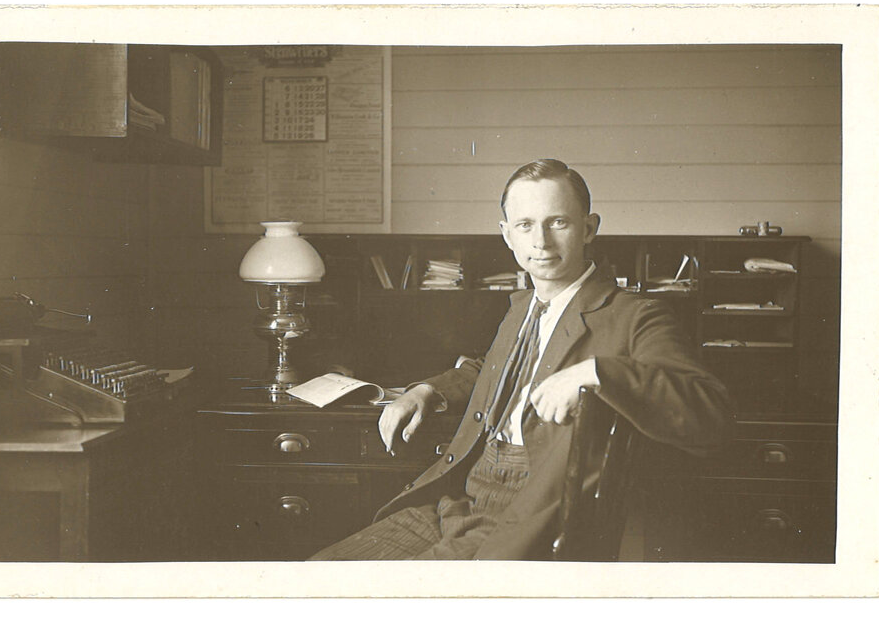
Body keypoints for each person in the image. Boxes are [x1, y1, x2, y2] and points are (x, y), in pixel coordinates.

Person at [310, 158, 734, 560]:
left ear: (589, 229)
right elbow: (495, 369)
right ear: (506, 234)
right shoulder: (521, 307)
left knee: (382, 598)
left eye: (558, 222)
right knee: (318, 573)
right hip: (459, 496)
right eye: (525, 225)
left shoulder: (635, 315)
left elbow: (710, 413)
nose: (541, 242)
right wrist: (427, 391)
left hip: (530, 511)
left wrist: (597, 373)